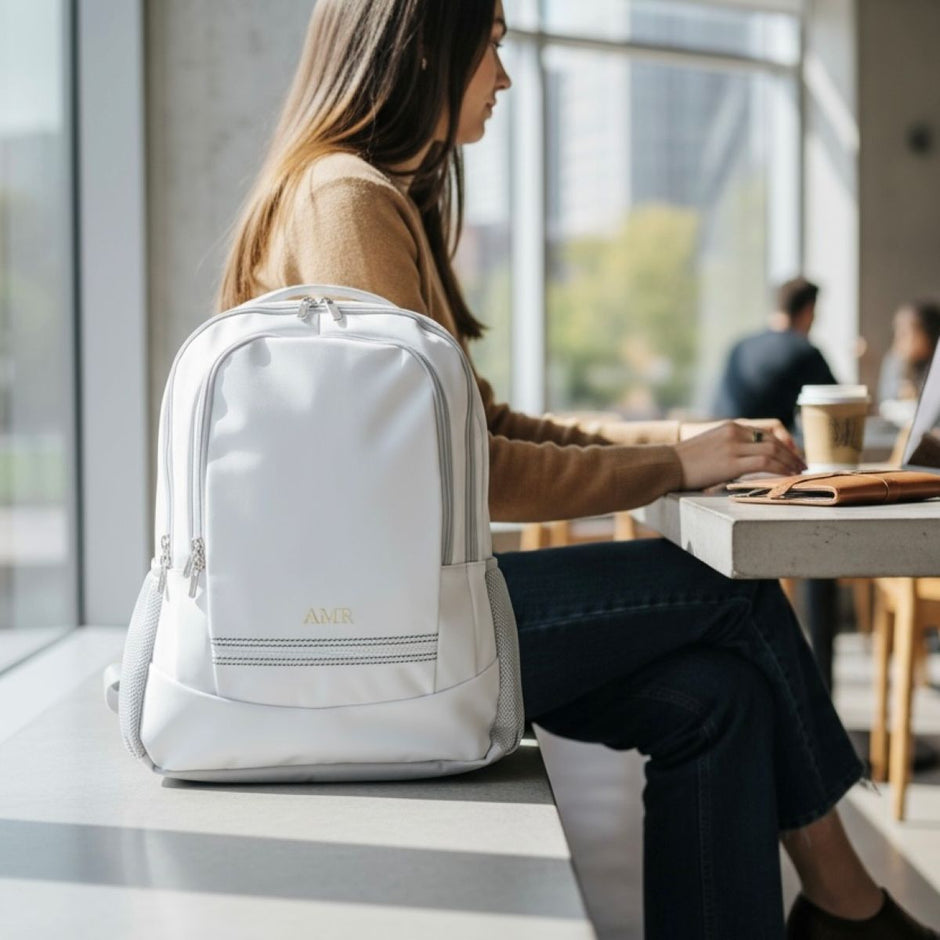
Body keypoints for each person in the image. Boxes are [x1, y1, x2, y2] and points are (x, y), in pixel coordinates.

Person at [218, 2, 938, 937]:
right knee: (736, 593)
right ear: (424, 49)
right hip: (385, 637)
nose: (505, 79)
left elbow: (484, 425)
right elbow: (467, 474)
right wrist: (671, 464)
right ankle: (852, 906)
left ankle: (843, 914)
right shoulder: (346, 201)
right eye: (493, 50)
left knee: (720, 698)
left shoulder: (361, 194)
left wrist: (679, 440)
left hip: (403, 609)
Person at [712, 277, 838, 430]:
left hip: (727, 441)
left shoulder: (740, 347)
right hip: (769, 447)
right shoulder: (804, 351)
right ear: (808, 311)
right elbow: (840, 407)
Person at [878, 299, 940, 407]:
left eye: (904, 333)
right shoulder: (897, 359)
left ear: (928, 335)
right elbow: (886, 398)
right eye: (897, 331)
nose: (898, 338)